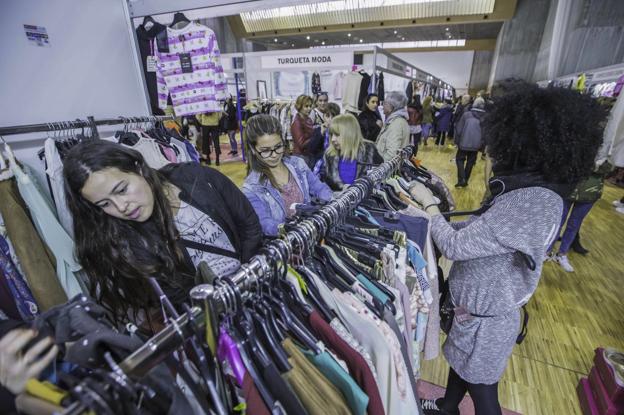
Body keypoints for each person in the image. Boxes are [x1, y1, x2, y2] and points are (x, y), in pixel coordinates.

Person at [409, 82, 605, 415]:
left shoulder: (530, 202)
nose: (490, 150)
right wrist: (436, 222)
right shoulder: (533, 190)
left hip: (487, 321)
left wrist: (428, 206)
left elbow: (457, 245)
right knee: (461, 367)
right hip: (477, 313)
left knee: (484, 394)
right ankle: (447, 407)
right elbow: (484, 234)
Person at [63, 140, 263, 324]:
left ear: (139, 169)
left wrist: (248, 276)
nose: (121, 206)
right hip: (215, 319)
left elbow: (248, 223)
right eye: (105, 203)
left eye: (122, 190)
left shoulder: (196, 177)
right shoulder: (128, 241)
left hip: (257, 287)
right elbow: (175, 296)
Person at [242, 114, 333, 236]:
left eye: (278, 147)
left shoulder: (298, 164)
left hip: (312, 234)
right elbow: (264, 223)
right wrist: (287, 228)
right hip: (285, 246)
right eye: (265, 150)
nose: (274, 155)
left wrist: (329, 203)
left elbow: (320, 188)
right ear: (253, 149)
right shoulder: (251, 188)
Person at [548, 160, 613, 272]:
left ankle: (561, 254)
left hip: (590, 191)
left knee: (574, 225)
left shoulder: (609, 147)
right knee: (558, 222)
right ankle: (547, 251)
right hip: (569, 186)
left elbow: (610, 167)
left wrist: (592, 164)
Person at [323, 114, 384, 191]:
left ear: (349, 133)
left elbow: (381, 181)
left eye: (337, 135)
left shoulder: (369, 151)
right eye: (331, 135)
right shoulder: (329, 156)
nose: (333, 139)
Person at [454, 97, 486, 187]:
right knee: (470, 162)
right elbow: (485, 133)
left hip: (464, 142)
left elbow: (459, 129)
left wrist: (457, 141)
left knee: (459, 159)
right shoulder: (485, 118)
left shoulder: (467, 115)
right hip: (476, 145)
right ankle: (465, 180)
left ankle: (462, 179)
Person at [291, 94, 324, 168]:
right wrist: (317, 135)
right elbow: (301, 144)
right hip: (301, 157)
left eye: (310, 106)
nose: (309, 109)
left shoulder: (308, 119)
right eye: (306, 106)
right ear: (300, 106)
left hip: (309, 155)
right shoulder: (297, 122)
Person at [376, 91, 410, 161]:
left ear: (391, 106)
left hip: (385, 169)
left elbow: (391, 154)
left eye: (385, 103)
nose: (382, 106)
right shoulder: (396, 121)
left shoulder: (396, 124)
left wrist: (378, 167)